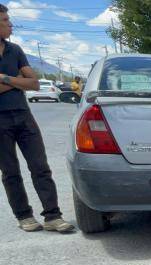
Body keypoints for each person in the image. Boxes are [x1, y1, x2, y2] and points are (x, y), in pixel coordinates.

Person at [0, 4, 74, 233]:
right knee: (10, 171)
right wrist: (17, 79)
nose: (10, 24)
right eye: (5, 20)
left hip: (24, 116)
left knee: (40, 166)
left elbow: (33, 83)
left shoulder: (15, 50)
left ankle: (53, 216)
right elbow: (25, 81)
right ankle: (24, 216)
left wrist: (4, 78)